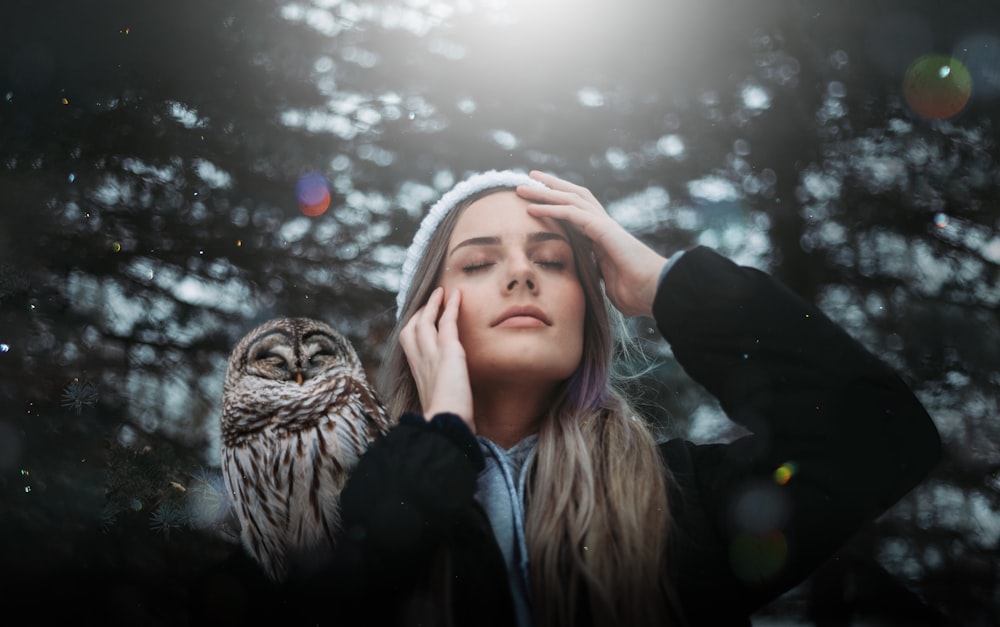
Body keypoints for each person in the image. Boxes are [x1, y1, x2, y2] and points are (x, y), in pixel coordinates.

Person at [323, 169, 941, 627]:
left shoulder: (687, 503)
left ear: (587, 315)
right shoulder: (338, 502)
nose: (522, 274)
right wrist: (437, 443)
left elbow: (881, 435)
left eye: (554, 260)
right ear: (424, 319)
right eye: (480, 263)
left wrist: (665, 285)